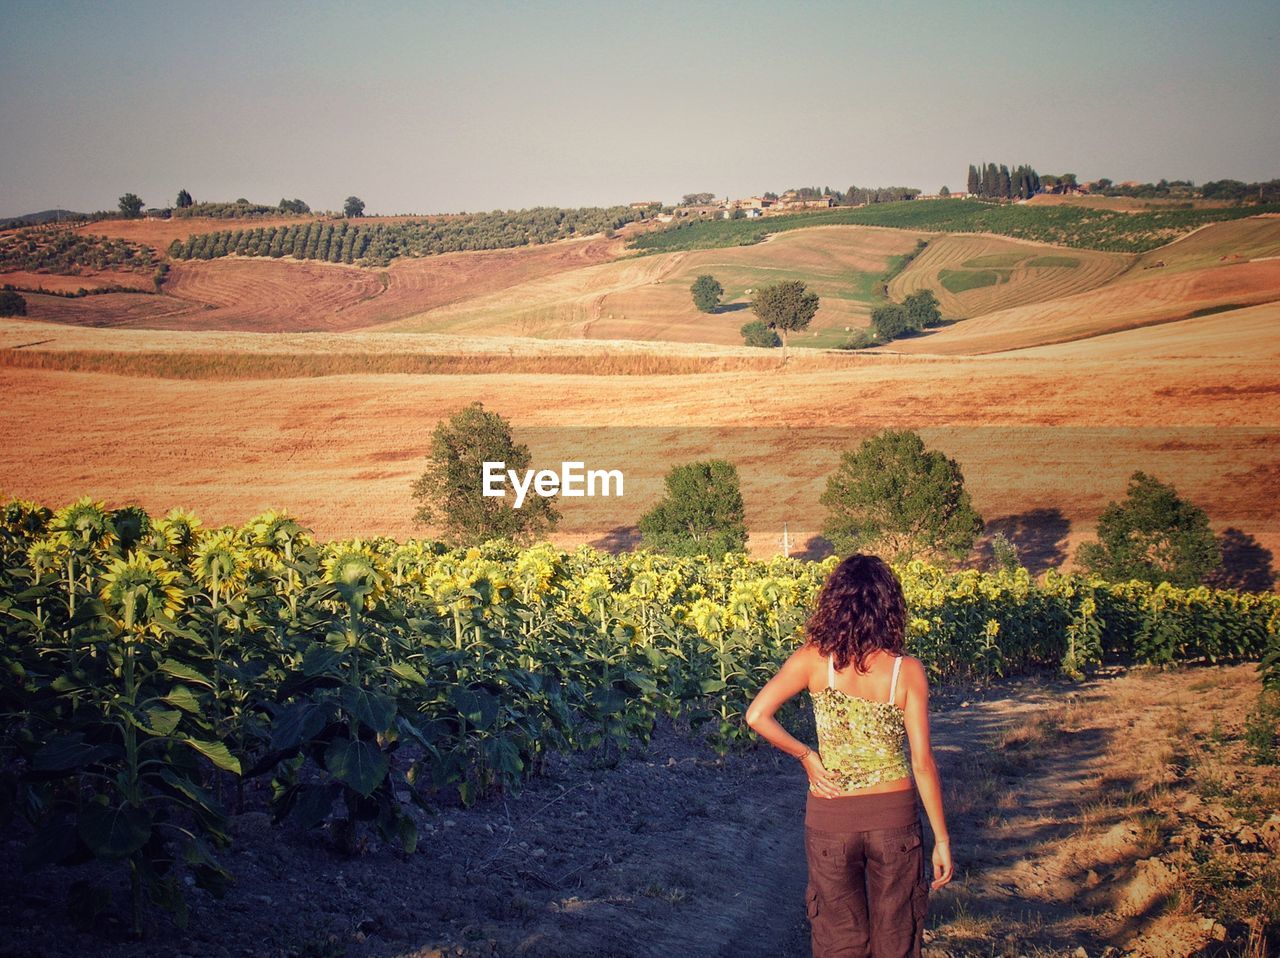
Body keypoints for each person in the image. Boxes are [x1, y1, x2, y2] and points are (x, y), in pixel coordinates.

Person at [745, 553, 953, 958]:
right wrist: (942, 839)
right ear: (889, 607)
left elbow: (757, 715)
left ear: (834, 604)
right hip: (895, 821)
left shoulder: (812, 660)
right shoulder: (906, 671)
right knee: (897, 941)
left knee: (839, 941)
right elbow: (922, 763)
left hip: (830, 819)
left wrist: (806, 755)